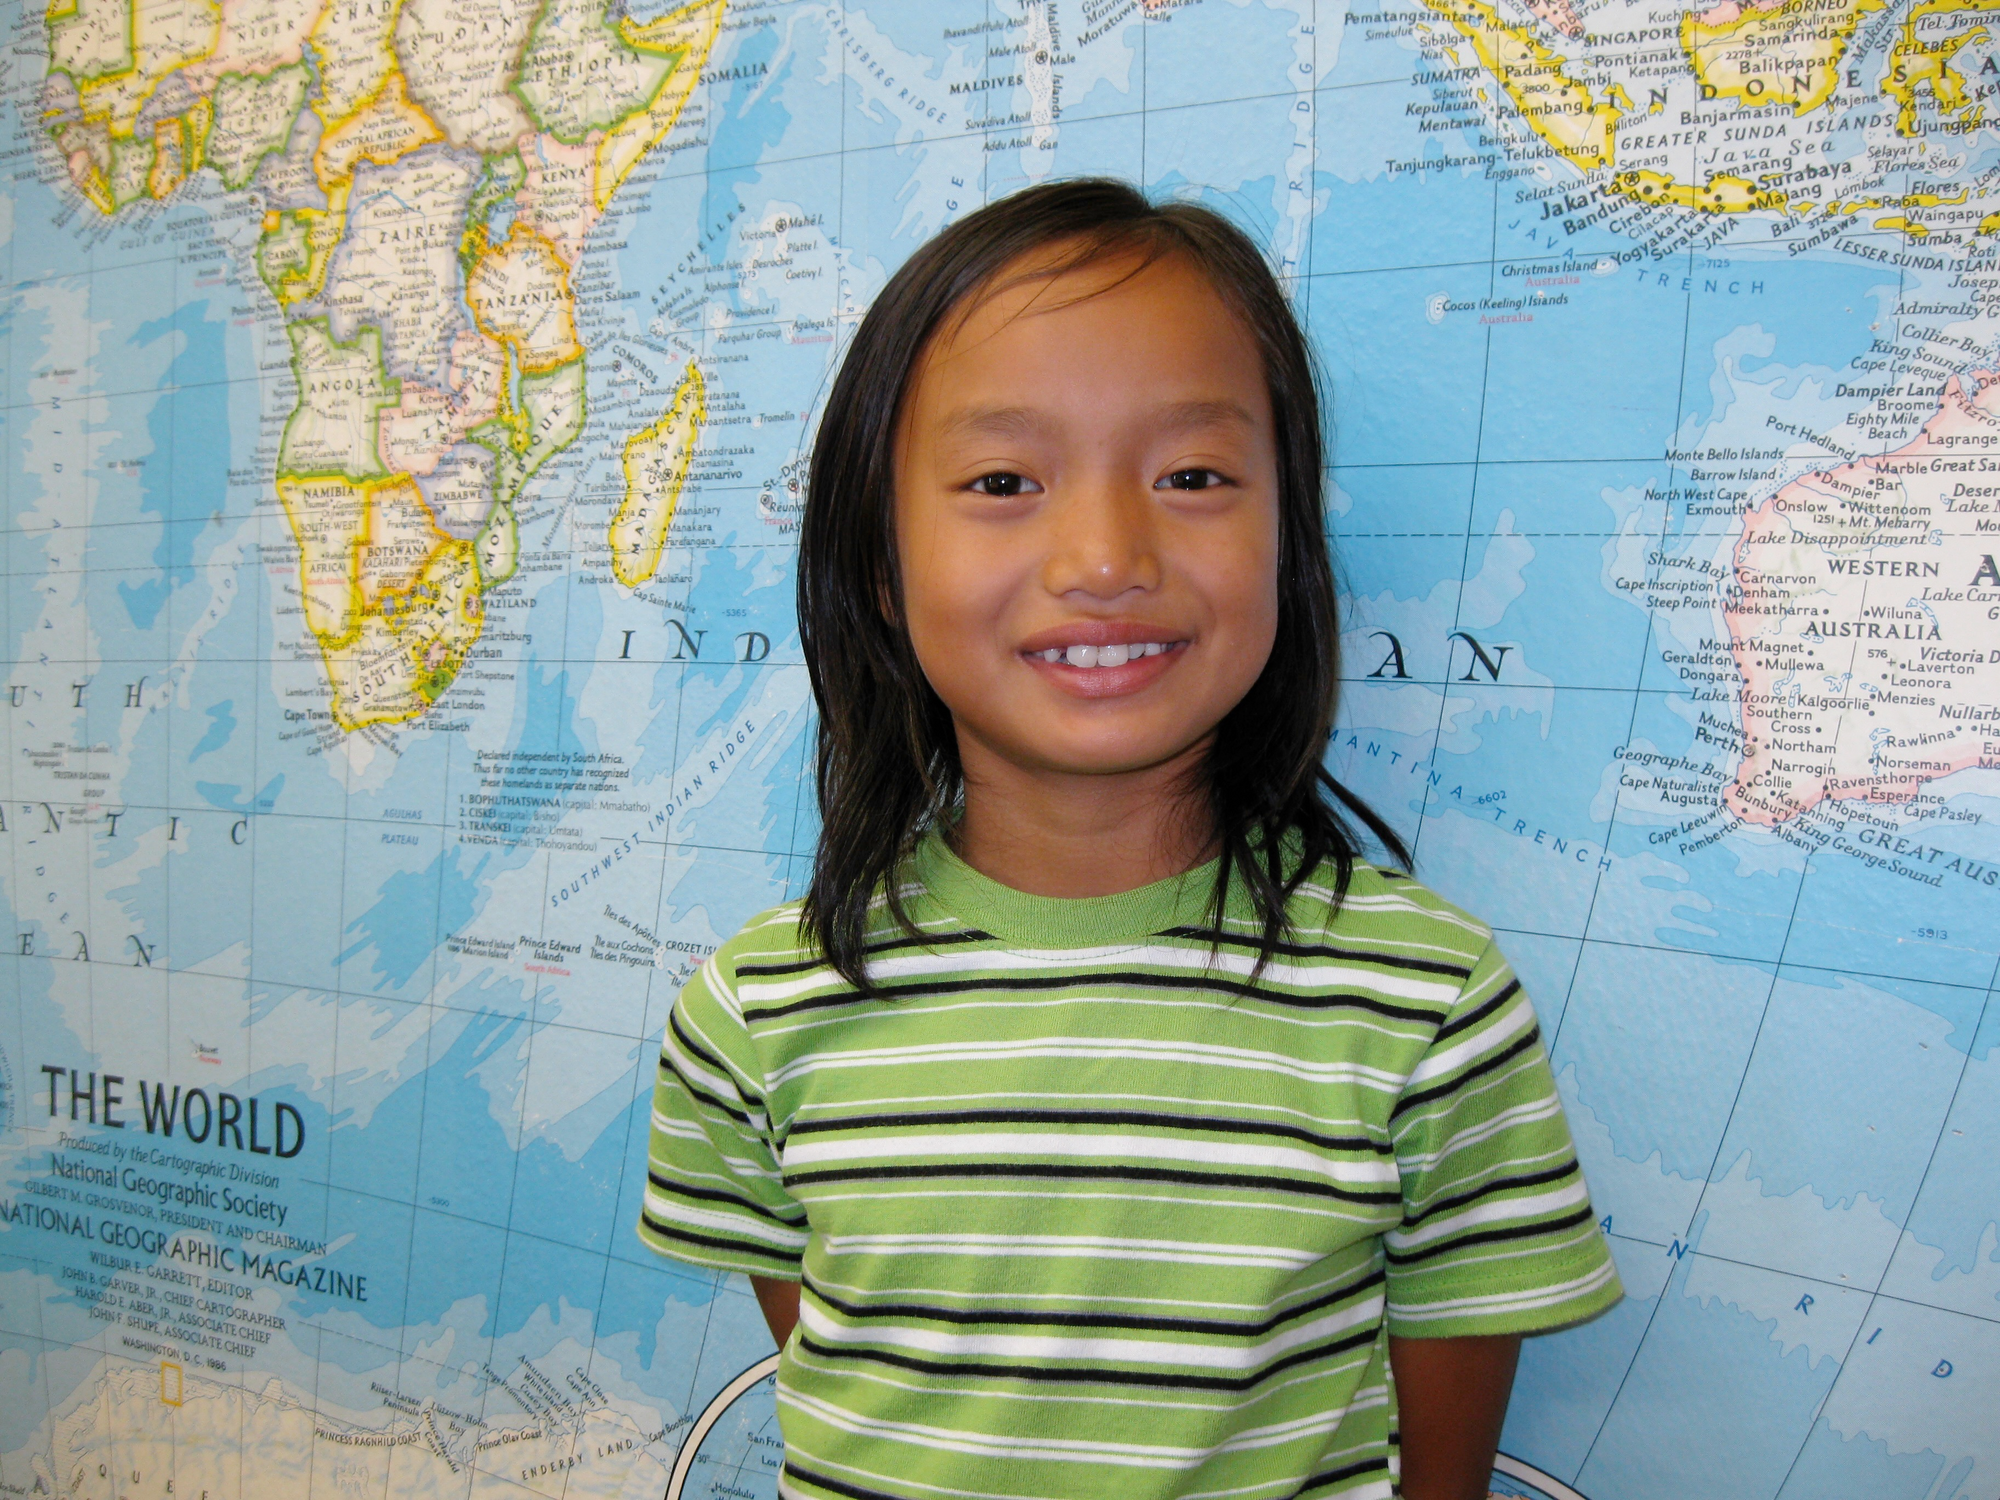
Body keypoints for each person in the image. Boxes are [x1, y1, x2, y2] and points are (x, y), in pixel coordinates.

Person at [637, 178, 1622, 1500]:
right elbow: (845, 1394)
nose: (1105, 553)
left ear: (1287, 545)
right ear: (880, 561)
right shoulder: (758, 1016)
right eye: (1003, 480)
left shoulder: (1426, 1005)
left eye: (1195, 475)